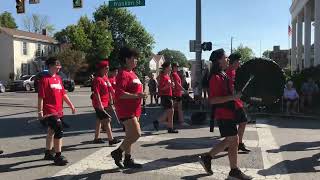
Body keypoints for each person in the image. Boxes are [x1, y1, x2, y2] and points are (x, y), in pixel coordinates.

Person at [198, 49, 252, 180]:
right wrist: (233, 97)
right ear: (219, 60)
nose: (228, 59)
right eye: (226, 57)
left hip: (229, 112)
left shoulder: (223, 75)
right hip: (223, 113)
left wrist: (237, 97)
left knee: (232, 140)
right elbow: (213, 100)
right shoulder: (215, 77)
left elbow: (227, 93)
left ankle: (208, 158)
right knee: (233, 140)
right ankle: (233, 171)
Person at [110, 47, 148, 169]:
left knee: (129, 136)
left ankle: (128, 159)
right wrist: (137, 95)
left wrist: (142, 94)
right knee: (136, 134)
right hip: (126, 110)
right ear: (126, 59)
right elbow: (119, 94)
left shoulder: (133, 73)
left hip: (135, 109)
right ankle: (117, 152)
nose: (136, 60)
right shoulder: (123, 74)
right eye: (134, 58)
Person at [38, 57, 76, 166]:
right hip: (49, 110)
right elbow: (41, 97)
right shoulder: (44, 79)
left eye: (59, 65)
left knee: (51, 130)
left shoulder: (59, 78)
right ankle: (58, 156)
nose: (59, 67)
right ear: (50, 66)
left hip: (58, 110)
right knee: (59, 128)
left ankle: (47, 153)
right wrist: (40, 112)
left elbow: (63, 94)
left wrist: (71, 105)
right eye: (57, 65)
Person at [91, 60, 121, 146]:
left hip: (105, 102)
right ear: (101, 69)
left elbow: (111, 90)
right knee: (107, 119)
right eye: (106, 68)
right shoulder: (97, 79)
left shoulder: (105, 78)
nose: (108, 69)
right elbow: (96, 93)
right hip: (98, 103)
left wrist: (116, 99)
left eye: (108, 68)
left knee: (99, 121)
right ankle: (111, 139)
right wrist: (100, 104)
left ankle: (96, 138)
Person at [225, 53, 251, 152]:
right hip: (233, 104)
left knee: (243, 122)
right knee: (240, 123)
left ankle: (238, 143)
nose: (239, 63)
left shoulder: (234, 72)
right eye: (238, 61)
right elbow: (231, 90)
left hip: (237, 102)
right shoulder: (229, 73)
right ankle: (234, 143)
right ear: (235, 62)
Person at [153, 61, 179, 133]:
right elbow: (161, 88)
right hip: (165, 96)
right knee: (170, 111)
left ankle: (170, 127)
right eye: (170, 67)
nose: (171, 68)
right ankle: (158, 122)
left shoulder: (167, 75)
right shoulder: (162, 76)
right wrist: (168, 86)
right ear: (166, 68)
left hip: (169, 95)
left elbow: (168, 85)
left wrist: (171, 86)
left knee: (170, 112)